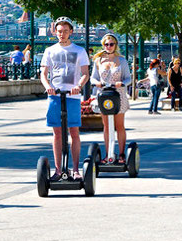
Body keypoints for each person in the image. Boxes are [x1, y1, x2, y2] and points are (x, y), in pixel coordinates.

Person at [40, 16, 90, 180]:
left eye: (65, 31)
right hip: (55, 96)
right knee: (57, 133)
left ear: (71, 32)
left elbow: (85, 74)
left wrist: (79, 86)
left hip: (73, 96)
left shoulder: (79, 51)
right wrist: (48, 87)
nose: (62, 34)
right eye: (59, 31)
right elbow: (43, 74)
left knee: (74, 132)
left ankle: (75, 170)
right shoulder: (50, 51)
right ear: (55, 32)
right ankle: (58, 170)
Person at [90, 33, 131, 163]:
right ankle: (108, 154)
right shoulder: (98, 60)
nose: (108, 46)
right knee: (107, 126)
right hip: (104, 95)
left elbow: (128, 78)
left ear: (115, 45)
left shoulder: (122, 61)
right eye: (106, 44)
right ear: (103, 45)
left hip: (118, 95)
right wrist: (96, 83)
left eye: (111, 44)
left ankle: (121, 154)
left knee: (119, 125)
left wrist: (122, 83)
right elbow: (93, 77)